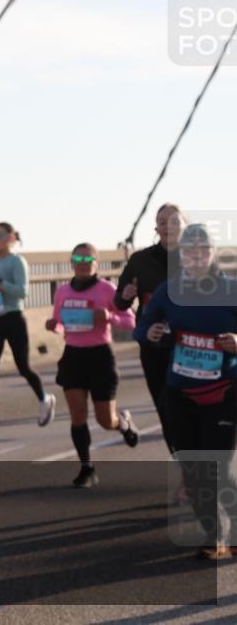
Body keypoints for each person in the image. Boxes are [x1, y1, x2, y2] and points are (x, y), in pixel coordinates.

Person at [134, 224, 237, 560]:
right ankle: (214, 535)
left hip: (222, 394)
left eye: (203, 249)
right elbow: (141, 326)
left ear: (212, 254)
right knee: (193, 470)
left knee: (216, 469)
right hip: (179, 393)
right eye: (189, 250)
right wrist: (151, 332)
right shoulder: (168, 291)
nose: (196, 255)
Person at [47, 243, 140, 488]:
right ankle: (87, 468)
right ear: (71, 261)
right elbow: (59, 322)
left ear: (96, 262)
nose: (83, 262)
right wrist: (53, 326)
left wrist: (109, 317)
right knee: (77, 415)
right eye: (78, 257)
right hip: (73, 357)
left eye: (88, 258)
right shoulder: (63, 291)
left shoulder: (107, 289)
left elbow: (130, 322)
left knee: (105, 420)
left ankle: (124, 423)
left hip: (100, 357)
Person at [0, 222, 55, 439]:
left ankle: (45, 399)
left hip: (13, 318)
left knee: (23, 367)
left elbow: (23, 292)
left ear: (11, 237)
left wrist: (1, 284)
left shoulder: (17, 261)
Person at [115, 203, 185, 453]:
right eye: (162, 222)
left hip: (191, 347)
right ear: (156, 227)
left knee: (191, 410)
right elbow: (120, 302)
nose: (168, 226)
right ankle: (183, 464)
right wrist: (125, 294)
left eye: (174, 221)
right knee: (166, 408)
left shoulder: (197, 259)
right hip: (154, 346)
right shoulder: (140, 260)